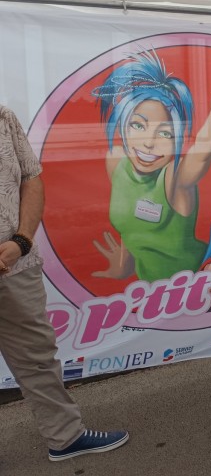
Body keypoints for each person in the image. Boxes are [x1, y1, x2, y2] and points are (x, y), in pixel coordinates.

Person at [0, 104, 129, 462]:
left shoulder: (4, 118)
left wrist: (22, 241)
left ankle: (65, 437)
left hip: (16, 264)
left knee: (37, 357)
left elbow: (32, 178)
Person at [91, 47, 211, 281]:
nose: (149, 143)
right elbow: (130, 223)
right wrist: (124, 266)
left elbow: (201, 153)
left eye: (165, 134)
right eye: (138, 125)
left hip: (191, 287)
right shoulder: (117, 162)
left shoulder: (173, 179)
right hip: (150, 291)